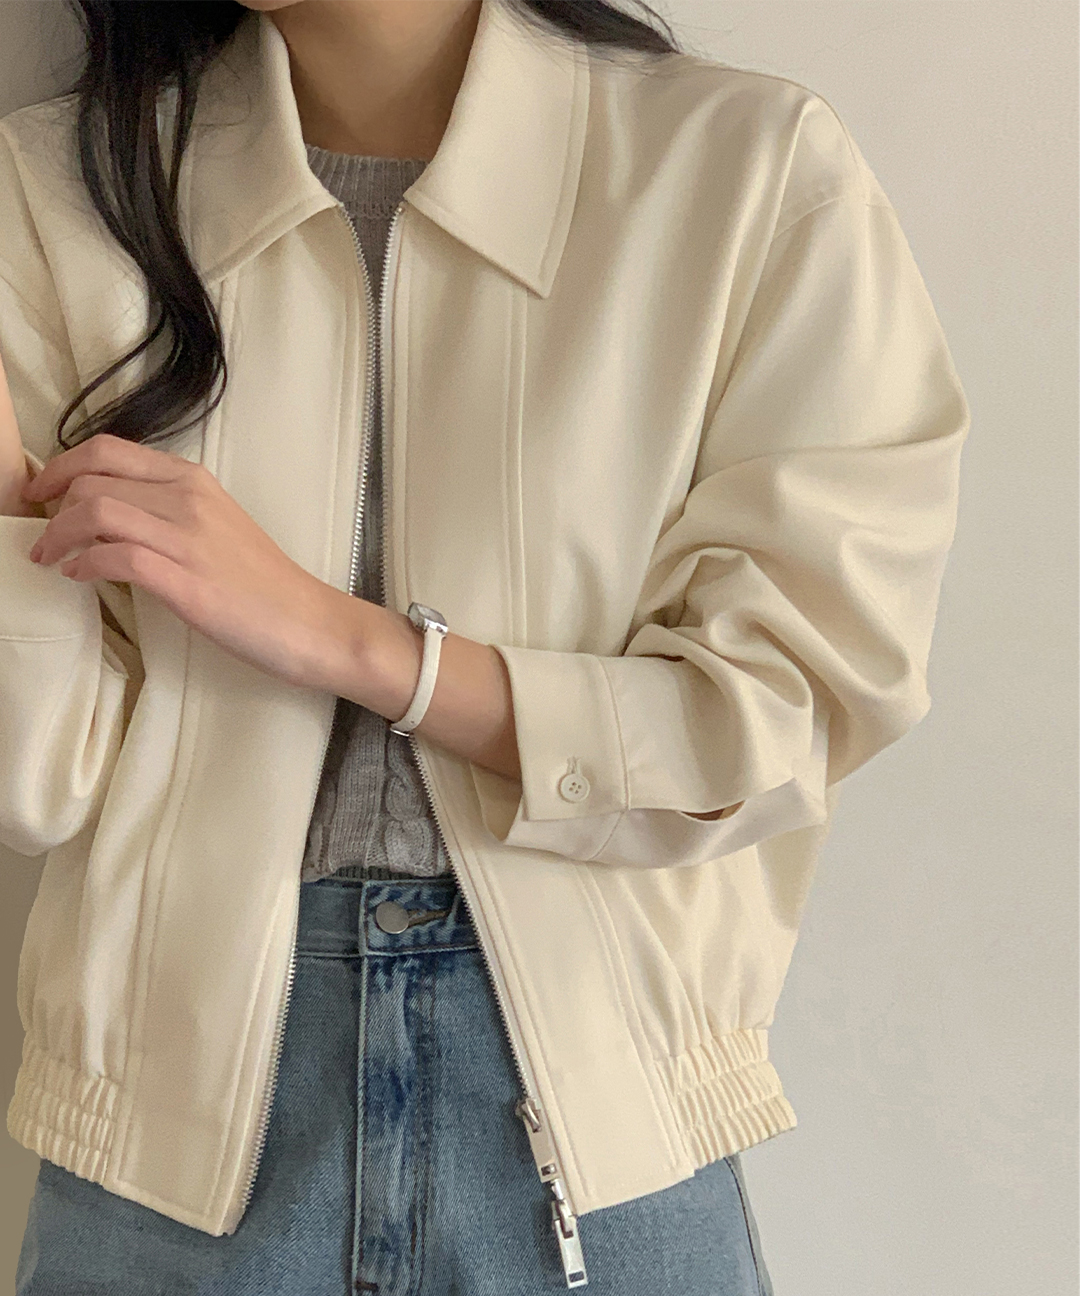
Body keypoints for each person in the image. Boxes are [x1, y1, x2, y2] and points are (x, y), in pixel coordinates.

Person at [0, 0, 970, 1292]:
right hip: (165, 1140)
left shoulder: (744, 174)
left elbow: (776, 715)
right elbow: (37, 775)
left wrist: (343, 638)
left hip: (597, 1119)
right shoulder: (59, 192)